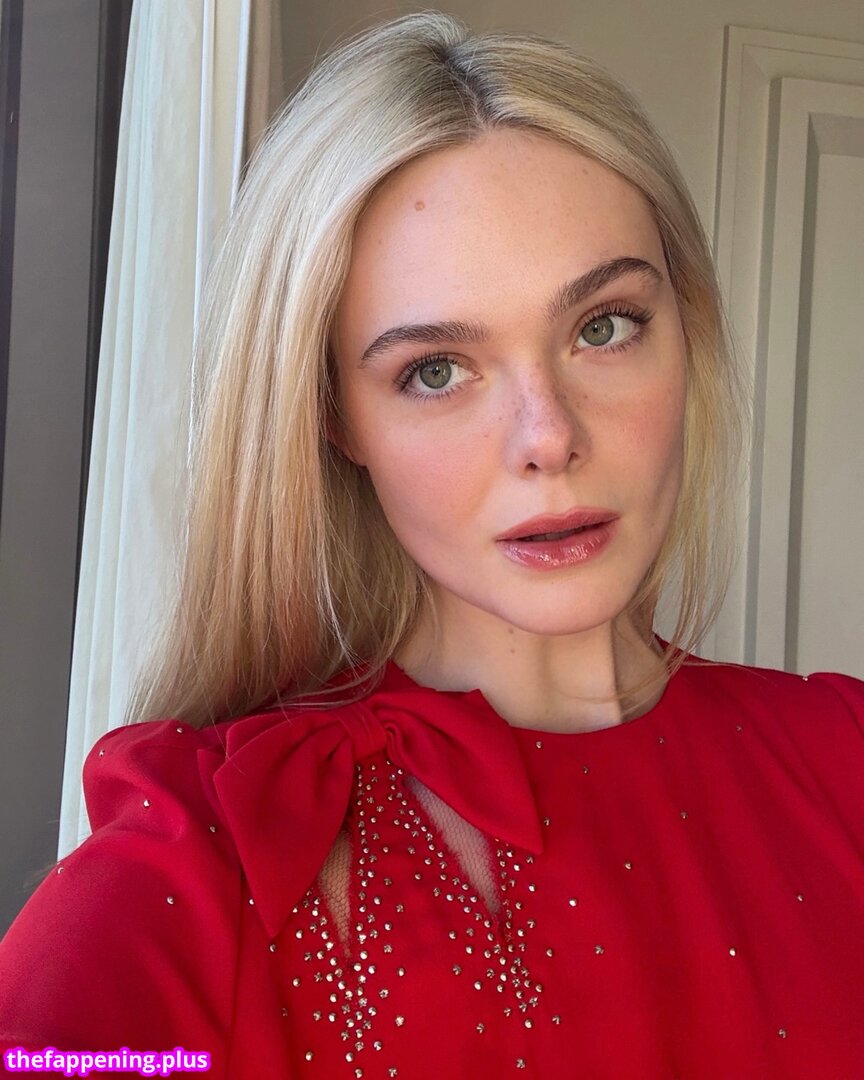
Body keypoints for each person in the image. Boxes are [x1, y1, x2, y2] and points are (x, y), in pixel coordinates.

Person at [2, 10, 863, 1079]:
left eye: (602, 326)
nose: (549, 437)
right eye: (435, 371)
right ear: (334, 419)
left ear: (685, 331)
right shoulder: (218, 847)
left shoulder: (843, 753)